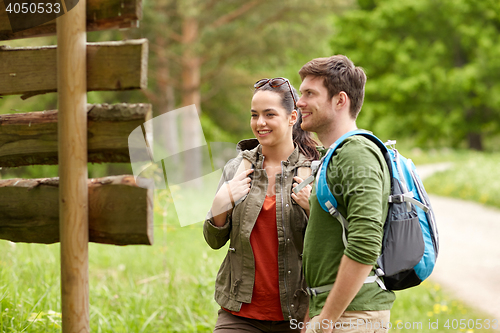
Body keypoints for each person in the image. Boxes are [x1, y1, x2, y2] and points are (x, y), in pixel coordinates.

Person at [203, 77, 319, 332]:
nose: (260, 123)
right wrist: (220, 203)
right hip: (239, 313)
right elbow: (214, 241)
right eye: (254, 115)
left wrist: (313, 209)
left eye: (270, 114)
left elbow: (330, 248)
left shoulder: (315, 171)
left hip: (298, 313)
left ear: (292, 117)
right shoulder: (236, 169)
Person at [297, 56, 396, 333]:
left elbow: (365, 243)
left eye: (309, 94)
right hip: (337, 314)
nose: (299, 102)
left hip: (352, 318)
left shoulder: (356, 153)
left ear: (340, 100)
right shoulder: (336, 154)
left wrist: (326, 320)